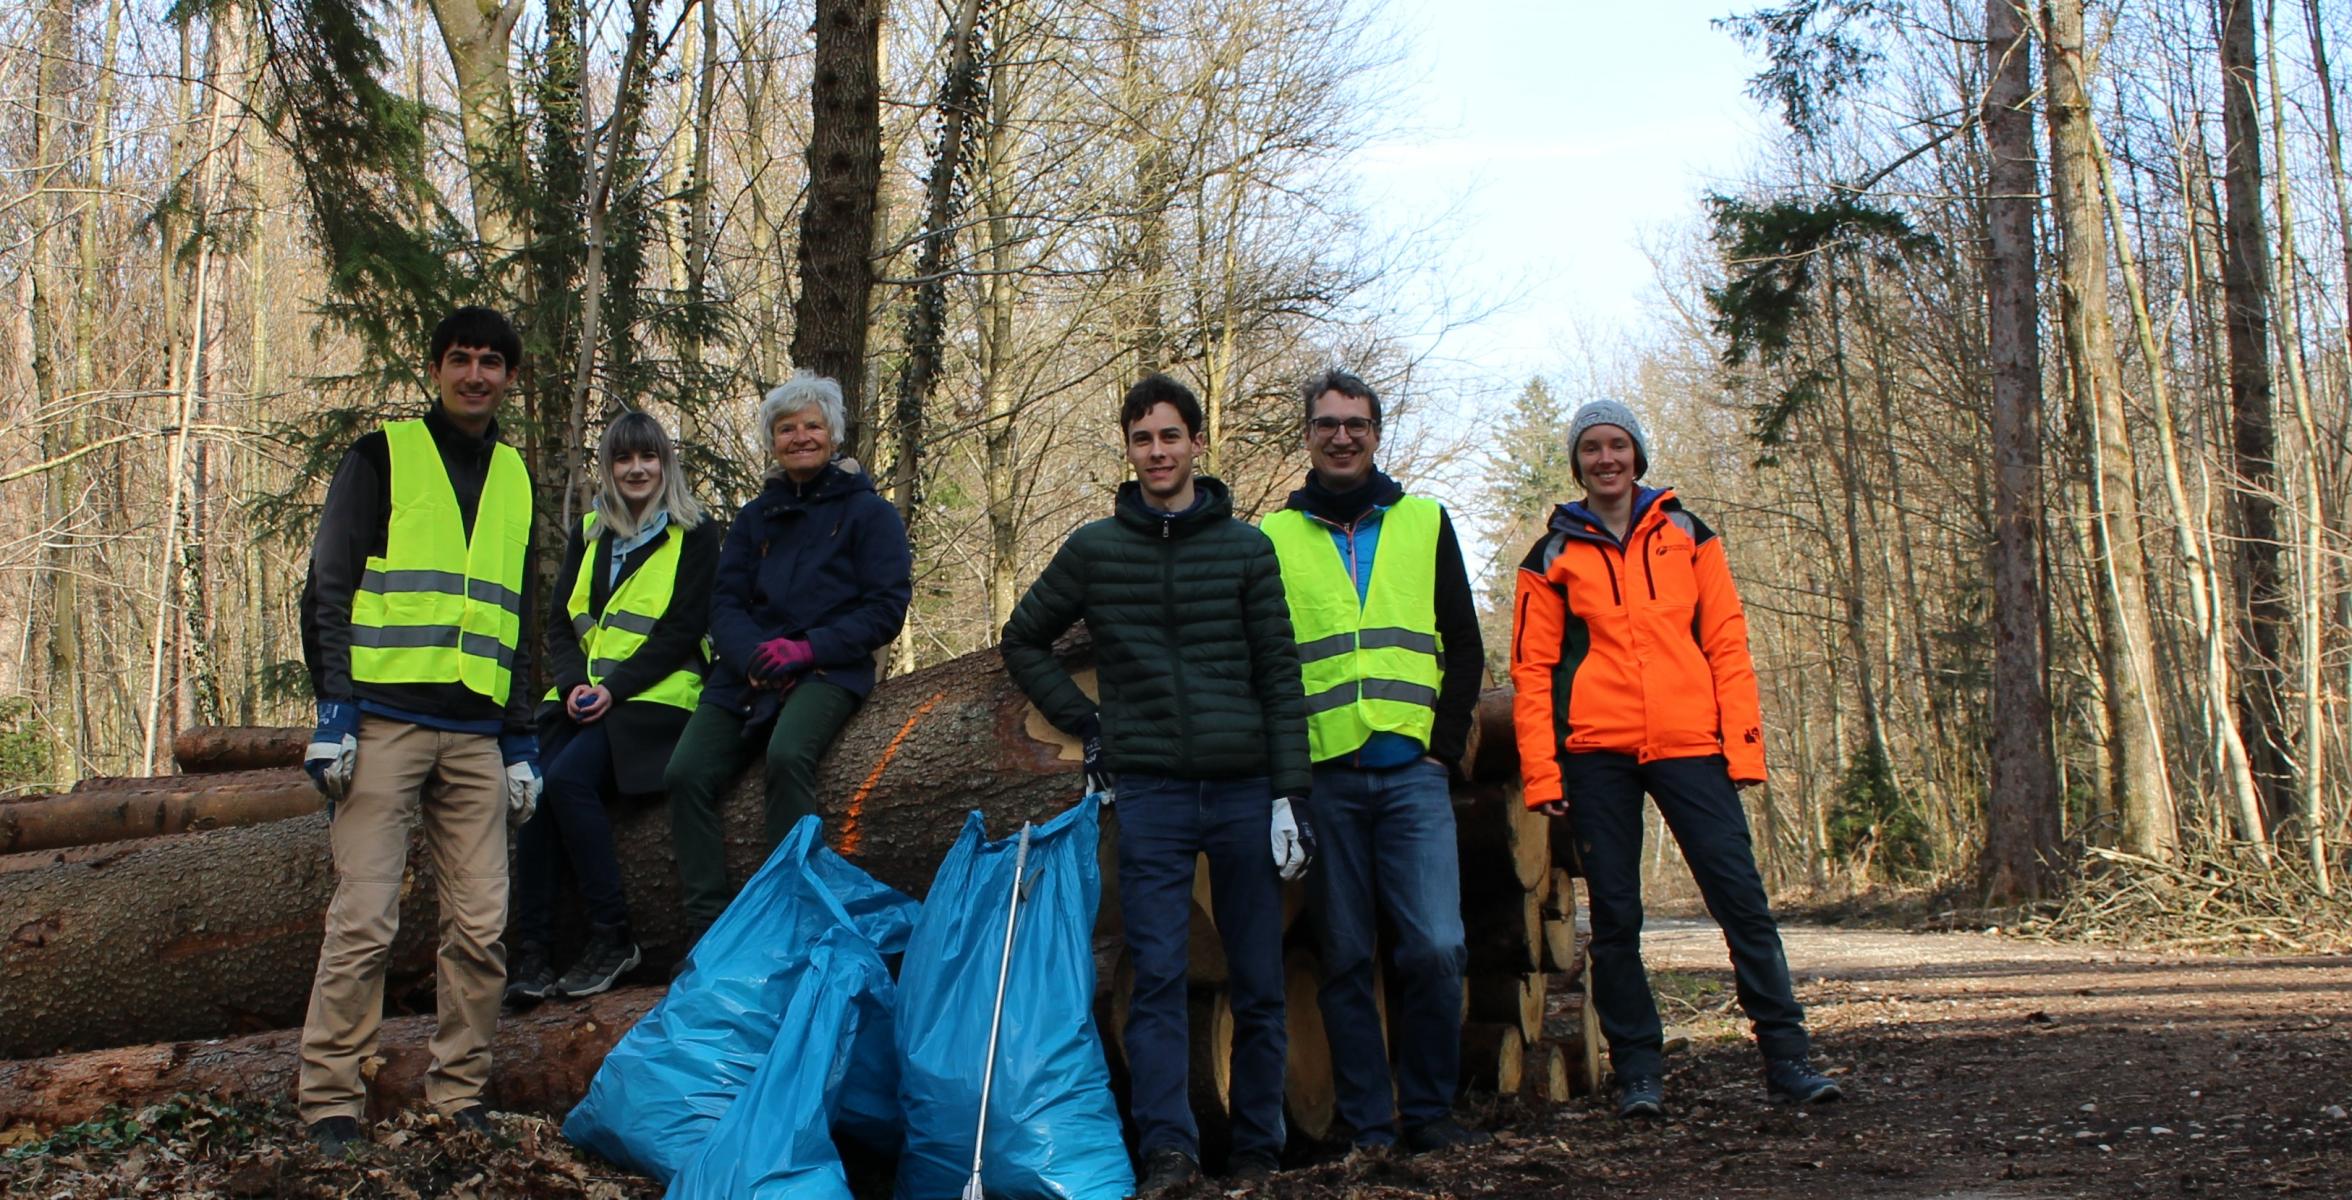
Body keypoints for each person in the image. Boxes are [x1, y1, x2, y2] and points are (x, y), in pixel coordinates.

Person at [1000, 373, 1313, 1196]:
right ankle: (1169, 1151)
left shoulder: (1247, 548)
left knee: (1257, 975)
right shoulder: (1096, 548)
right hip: (1151, 795)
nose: (1158, 452)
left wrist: (1290, 791)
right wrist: (1088, 723)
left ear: (1197, 444)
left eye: (1171, 436)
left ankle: (1258, 1148)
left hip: (1244, 786)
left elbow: (1280, 674)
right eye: (1143, 439)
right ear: (1129, 448)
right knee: (1159, 978)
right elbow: (1023, 638)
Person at [1509, 398, 1841, 1120]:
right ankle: (1639, 1074)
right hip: (1597, 752)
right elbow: (1532, 672)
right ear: (1577, 462)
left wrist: (1744, 749)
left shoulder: (1689, 535)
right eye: (1591, 448)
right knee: (1619, 921)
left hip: (1694, 746)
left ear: (1638, 456)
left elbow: (1727, 642)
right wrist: (1544, 770)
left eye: (1617, 446)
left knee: (1743, 904)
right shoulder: (1552, 556)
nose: (1606, 459)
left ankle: (1787, 1059)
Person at [295, 306, 544, 1155]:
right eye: (461, 359)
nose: (476, 375)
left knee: (480, 927)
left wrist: (521, 738)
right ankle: (330, 1098)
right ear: (435, 368)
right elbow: (327, 584)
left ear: (511, 378)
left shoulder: (516, 474)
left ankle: (459, 1093)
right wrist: (335, 712)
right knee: (363, 918)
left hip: (477, 733)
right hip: (386, 724)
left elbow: (523, 616)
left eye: (492, 363)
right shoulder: (381, 455)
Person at [1260, 370, 1487, 1155]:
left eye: (1355, 423)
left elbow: (1463, 642)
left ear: (1376, 432)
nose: (1342, 436)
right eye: (1327, 423)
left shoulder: (1425, 521)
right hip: (1324, 777)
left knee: (1434, 947)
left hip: (1411, 775)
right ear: (1309, 435)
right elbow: (1269, 659)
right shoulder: (1276, 537)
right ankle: (1367, 1126)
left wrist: (1445, 747)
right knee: (1347, 958)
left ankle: (1428, 1113)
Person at [662, 372, 912, 939]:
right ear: (772, 441)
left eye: (812, 426)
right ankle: (709, 929)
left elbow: (885, 608)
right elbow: (723, 602)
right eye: (786, 429)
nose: (800, 437)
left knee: (786, 756)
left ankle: (791, 921)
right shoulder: (755, 519)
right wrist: (752, 654)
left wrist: (806, 649)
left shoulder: (870, 515)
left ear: (833, 434)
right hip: (747, 673)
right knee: (684, 774)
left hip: (828, 668)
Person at [506, 411, 720, 1006]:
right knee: (533, 795)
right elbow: (560, 623)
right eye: (623, 459)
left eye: (647, 457)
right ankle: (533, 953)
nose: (635, 469)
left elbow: (683, 629)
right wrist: (575, 683)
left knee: (570, 781)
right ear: (608, 467)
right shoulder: (591, 532)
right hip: (583, 700)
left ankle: (613, 936)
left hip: (655, 699)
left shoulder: (696, 533)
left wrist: (614, 689)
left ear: (664, 463)